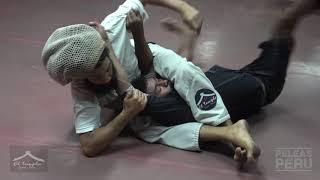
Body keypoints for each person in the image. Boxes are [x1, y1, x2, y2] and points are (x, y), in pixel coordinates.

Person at [41, 0, 261, 162]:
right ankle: (229, 133)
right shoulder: (81, 87)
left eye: (103, 66)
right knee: (148, 131)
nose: (102, 77)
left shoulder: (111, 27)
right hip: (136, 95)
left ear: (104, 48)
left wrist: (184, 7)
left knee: (185, 70)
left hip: (148, 60)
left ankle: (231, 131)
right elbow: (88, 145)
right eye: (92, 76)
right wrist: (125, 115)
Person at [132, 0, 320, 160]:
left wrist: (186, 37)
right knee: (285, 22)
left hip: (240, 74)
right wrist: (233, 143)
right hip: (263, 82)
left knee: (178, 77)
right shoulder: (173, 114)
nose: (163, 83)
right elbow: (201, 130)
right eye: (158, 89)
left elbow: (182, 65)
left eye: (159, 81)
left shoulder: (174, 89)